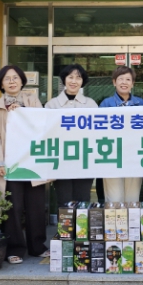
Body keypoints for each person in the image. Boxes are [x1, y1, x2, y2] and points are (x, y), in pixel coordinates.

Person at [0, 65, 47, 264]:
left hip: (33, 161)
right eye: (7, 79)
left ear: (22, 81)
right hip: (11, 164)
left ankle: (38, 247)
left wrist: (22, 112)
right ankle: (14, 249)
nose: (12, 81)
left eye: (15, 78)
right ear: (1, 84)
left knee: (36, 206)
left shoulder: (33, 100)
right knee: (13, 208)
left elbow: (42, 124)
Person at [45, 64, 98, 203]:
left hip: (85, 160)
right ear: (64, 79)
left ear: (82, 81)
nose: (74, 81)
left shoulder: (91, 104)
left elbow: (96, 132)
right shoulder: (52, 105)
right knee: (64, 201)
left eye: (78, 78)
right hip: (61, 160)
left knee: (83, 200)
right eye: (70, 77)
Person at [100, 66, 143, 202]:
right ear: (114, 82)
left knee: (132, 198)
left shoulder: (141, 104)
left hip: (135, 155)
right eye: (120, 79)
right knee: (114, 199)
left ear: (133, 83)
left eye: (128, 79)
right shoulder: (106, 104)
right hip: (112, 155)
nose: (124, 82)